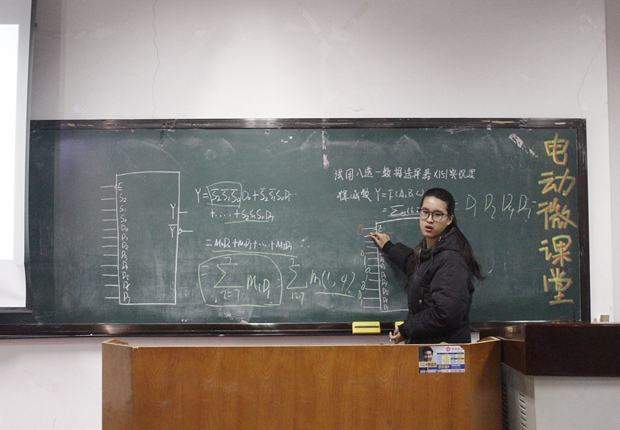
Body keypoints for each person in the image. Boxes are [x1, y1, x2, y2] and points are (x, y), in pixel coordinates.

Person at [370, 188, 484, 345]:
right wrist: (389, 247)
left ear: (449, 219)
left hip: (442, 352)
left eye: (437, 214)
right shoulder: (433, 252)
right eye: (425, 212)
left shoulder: (451, 260)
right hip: (430, 349)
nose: (429, 219)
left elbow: (446, 314)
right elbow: (417, 267)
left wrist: (407, 329)